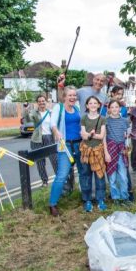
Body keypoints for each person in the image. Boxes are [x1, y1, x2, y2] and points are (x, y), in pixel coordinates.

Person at [49, 86, 84, 216]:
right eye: (70, 95)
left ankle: (86, 198)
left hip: (79, 144)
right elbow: (53, 124)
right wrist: (56, 131)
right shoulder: (59, 107)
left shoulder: (77, 108)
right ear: (64, 97)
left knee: (83, 172)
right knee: (62, 175)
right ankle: (52, 204)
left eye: (74, 95)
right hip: (65, 146)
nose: (73, 98)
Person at [79, 96, 107, 212]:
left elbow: (101, 136)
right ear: (87, 105)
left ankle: (100, 199)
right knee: (86, 175)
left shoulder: (102, 119)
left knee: (99, 175)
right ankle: (87, 199)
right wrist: (89, 134)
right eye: (90, 103)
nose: (93, 105)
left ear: (99, 105)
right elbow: (83, 135)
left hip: (98, 150)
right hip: (86, 150)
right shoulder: (84, 118)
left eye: (95, 103)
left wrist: (91, 135)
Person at [23, 94, 57, 187]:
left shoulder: (50, 112)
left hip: (49, 137)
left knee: (54, 159)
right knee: (40, 162)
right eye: (39, 101)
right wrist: (26, 109)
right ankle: (44, 181)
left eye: (43, 101)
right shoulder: (34, 112)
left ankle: (59, 178)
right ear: (37, 103)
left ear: (46, 102)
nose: (41, 102)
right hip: (37, 139)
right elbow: (27, 119)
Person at [104, 100, 131, 204]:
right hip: (111, 151)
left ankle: (125, 197)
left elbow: (128, 134)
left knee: (123, 176)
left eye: (116, 107)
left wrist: (127, 139)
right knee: (112, 177)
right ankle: (115, 197)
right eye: (112, 107)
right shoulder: (106, 121)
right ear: (109, 109)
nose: (114, 109)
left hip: (121, 151)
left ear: (120, 108)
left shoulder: (125, 121)